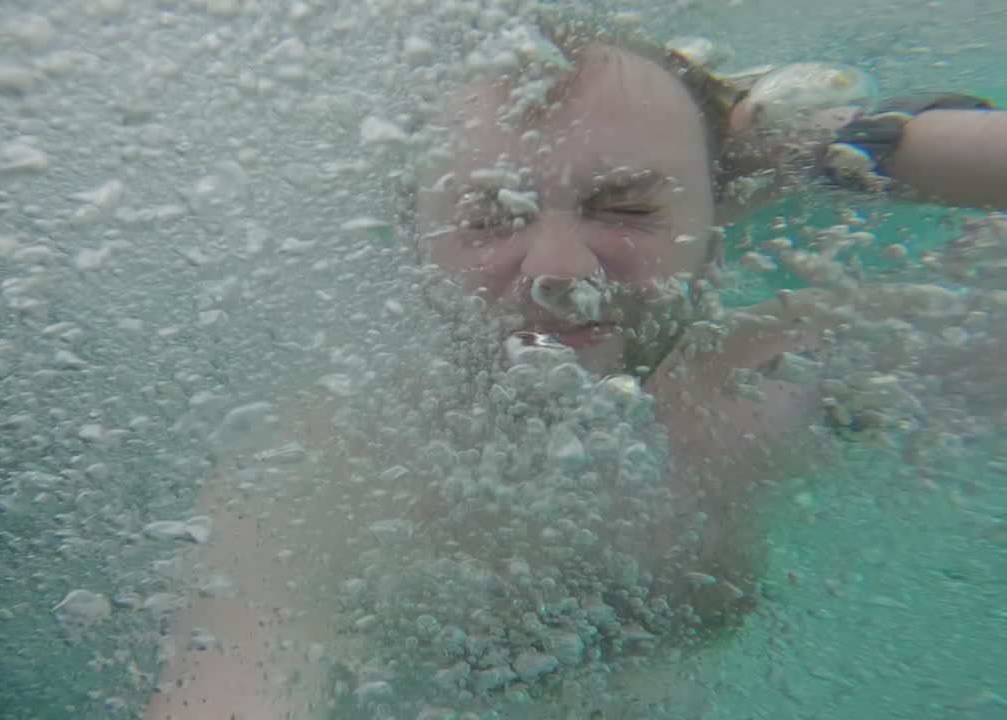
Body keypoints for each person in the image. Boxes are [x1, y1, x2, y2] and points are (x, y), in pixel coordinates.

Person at [144, 18, 1007, 720]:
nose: (559, 273)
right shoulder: (314, 478)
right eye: (487, 217)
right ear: (410, 241)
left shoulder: (778, 378)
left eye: (628, 205)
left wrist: (847, 148)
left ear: (720, 219)